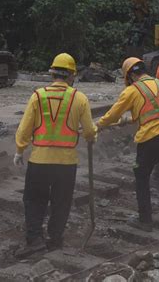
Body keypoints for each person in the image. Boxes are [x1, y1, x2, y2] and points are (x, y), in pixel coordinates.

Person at [96, 57, 159, 231]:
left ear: (130, 76)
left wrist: (98, 126)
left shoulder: (132, 91)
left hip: (149, 138)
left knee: (141, 177)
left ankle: (145, 220)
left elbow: (113, 114)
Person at [14, 53, 97, 257]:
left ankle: (34, 240)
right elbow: (88, 130)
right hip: (66, 163)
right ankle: (55, 239)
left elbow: (24, 128)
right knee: (61, 202)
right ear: (71, 75)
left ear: (52, 74)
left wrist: (19, 150)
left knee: (34, 200)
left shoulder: (37, 96)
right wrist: (91, 137)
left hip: (39, 161)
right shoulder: (79, 98)